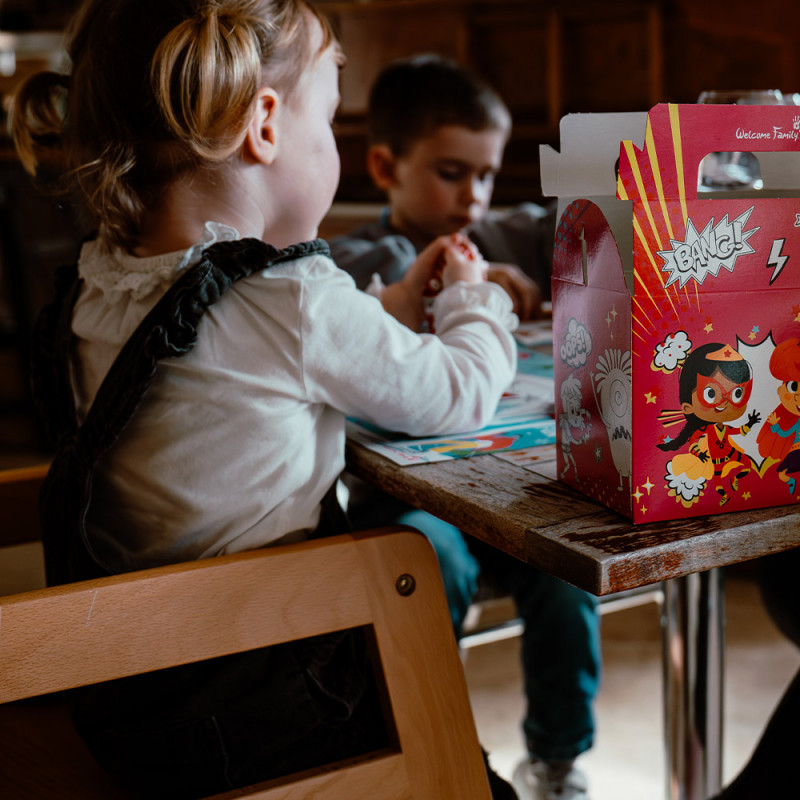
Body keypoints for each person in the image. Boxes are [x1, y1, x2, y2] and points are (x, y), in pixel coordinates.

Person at [10, 3, 520, 798]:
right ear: (267, 126)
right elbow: (456, 393)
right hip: (279, 709)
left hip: (133, 701)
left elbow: (242, 369)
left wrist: (383, 305)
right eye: (330, 111)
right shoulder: (293, 296)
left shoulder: (102, 282)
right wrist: (474, 301)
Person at [330, 54, 600, 800]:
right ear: (385, 165)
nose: (473, 197)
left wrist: (527, 278)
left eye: (486, 174)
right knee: (429, 558)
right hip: (409, 499)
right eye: (452, 172)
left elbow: (576, 223)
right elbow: (361, 289)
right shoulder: (357, 259)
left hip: (511, 489)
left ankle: (557, 761)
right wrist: (460, 291)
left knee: (565, 568)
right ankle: (432, 748)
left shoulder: (506, 235)